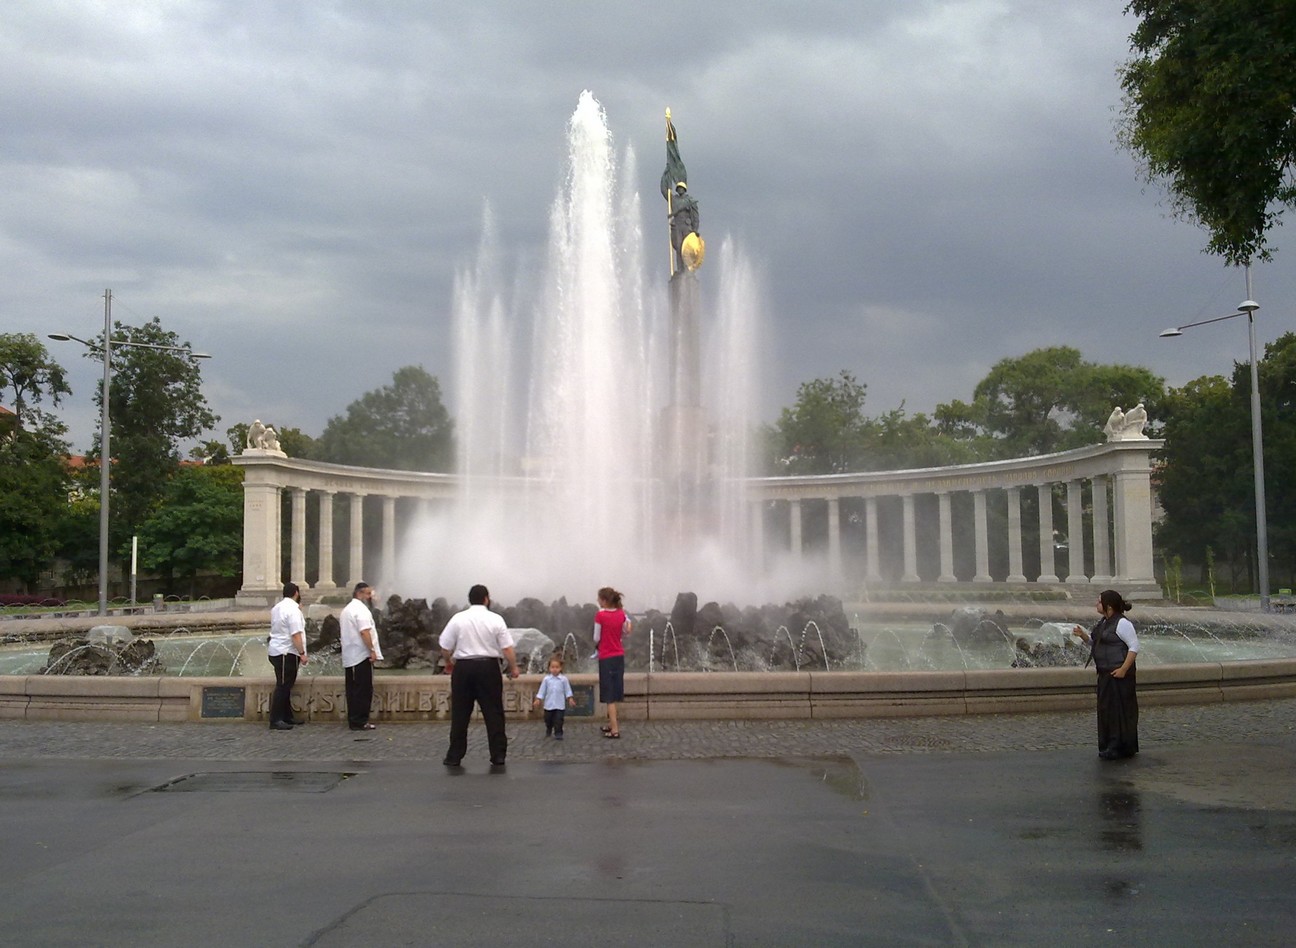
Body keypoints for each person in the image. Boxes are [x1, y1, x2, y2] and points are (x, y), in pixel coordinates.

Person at [439, 584, 519, 767]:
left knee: (460, 713)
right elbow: (507, 648)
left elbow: (445, 647)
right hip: (488, 668)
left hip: (464, 669)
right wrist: (513, 667)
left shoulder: (458, 619)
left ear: (469, 599)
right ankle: (498, 755)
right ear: (486, 599)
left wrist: (449, 663)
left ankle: (454, 756)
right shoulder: (495, 619)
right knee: (494, 713)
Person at [1072, 589, 1140, 759]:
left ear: (1108, 606)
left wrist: (1124, 669)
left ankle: (1120, 746)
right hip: (1105, 674)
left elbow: (1134, 647)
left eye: (1099, 601)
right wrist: (1084, 637)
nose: (1096, 604)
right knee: (1107, 710)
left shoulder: (1122, 623)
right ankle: (1110, 744)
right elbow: (1097, 643)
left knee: (1119, 711)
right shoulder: (1104, 622)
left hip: (1119, 675)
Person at [267, 581, 308, 730]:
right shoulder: (293, 610)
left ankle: (287, 716)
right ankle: (275, 719)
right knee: (283, 686)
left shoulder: (277, 607)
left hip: (277, 651)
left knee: (285, 685)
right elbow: (296, 634)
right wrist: (302, 653)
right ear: (296, 593)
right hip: (286, 652)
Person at [340, 581, 379, 731]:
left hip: (350, 655)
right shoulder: (360, 610)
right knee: (363, 690)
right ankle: (360, 721)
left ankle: (354, 719)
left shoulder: (347, 609)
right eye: (368, 594)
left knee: (353, 689)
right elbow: (364, 631)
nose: (370, 597)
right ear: (359, 594)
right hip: (361, 655)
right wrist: (372, 650)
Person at [594, 586, 631, 739]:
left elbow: (596, 637)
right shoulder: (621, 614)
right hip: (619, 656)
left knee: (609, 695)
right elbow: (626, 630)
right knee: (615, 691)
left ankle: (614, 729)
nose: (597, 601)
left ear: (604, 600)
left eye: (599, 599)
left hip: (606, 656)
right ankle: (611, 723)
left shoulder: (600, 615)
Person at [533, 655, 576, 740]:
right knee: (548, 719)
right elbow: (542, 691)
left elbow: (567, 690)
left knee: (559, 720)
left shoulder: (563, 679)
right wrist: (538, 699)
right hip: (548, 705)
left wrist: (570, 699)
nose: (555, 669)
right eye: (552, 667)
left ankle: (558, 732)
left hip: (559, 705)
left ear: (560, 668)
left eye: (557, 667)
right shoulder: (546, 679)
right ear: (549, 668)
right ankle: (549, 728)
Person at [668, 181, 700, 275]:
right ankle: (680, 269)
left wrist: (695, 230)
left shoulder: (690, 201)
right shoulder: (674, 200)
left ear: (684, 189)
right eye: (678, 188)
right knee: (678, 248)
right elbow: (664, 191)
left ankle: (687, 269)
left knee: (686, 248)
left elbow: (695, 216)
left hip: (686, 227)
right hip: (677, 226)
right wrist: (666, 179)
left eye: (682, 188)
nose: (680, 189)